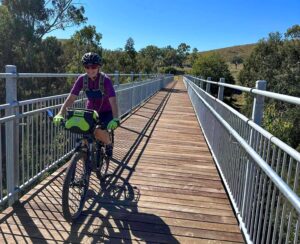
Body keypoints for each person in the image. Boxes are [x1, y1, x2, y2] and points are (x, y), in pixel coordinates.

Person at [53, 52, 119, 157]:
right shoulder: (82, 79)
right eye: (87, 67)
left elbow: (113, 100)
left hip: (106, 111)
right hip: (91, 111)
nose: (90, 70)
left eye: (93, 66)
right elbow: (71, 98)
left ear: (98, 67)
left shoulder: (105, 80)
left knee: (98, 131)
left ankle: (109, 144)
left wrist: (115, 118)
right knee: (85, 130)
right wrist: (60, 113)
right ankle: (86, 158)